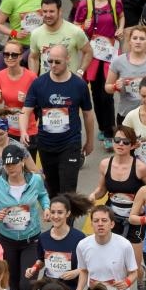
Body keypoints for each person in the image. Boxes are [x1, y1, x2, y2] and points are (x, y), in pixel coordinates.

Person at [20, 44, 94, 198]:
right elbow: (25, 111)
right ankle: (58, 220)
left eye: (57, 62)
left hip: (70, 143)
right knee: (52, 188)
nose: (53, 65)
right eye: (50, 61)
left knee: (68, 189)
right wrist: (23, 131)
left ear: (68, 59)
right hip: (46, 144)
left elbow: (88, 115)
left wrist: (90, 141)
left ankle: (68, 221)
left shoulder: (79, 85)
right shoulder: (39, 83)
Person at [0, 143, 50, 290]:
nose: (10, 168)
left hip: (31, 240)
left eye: (14, 163)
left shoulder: (35, 180)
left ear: (22, 162)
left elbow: (43, 195)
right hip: (8, 240)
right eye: (7, 165)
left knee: (26, 283)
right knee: (12, 285)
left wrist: (46, 208)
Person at [90, 125, 146, 290]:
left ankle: (141, 273)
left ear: (132, 145)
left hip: (134, 219)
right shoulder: (105, 164)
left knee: (134, 264)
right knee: (115, 259)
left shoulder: (140, 168)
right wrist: (93, 195)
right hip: (113, 217)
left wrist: (145, 205)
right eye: (117, 140)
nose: (120, 144)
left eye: (125, 141)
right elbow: (101, 189)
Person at [74, 0, 125, 150]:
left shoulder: (114, 2)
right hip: (93, 56)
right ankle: (104, 128)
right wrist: (82, 26)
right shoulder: (84, 4)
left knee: (107, 94)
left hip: (110, 55)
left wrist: (121, 28)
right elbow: (75, 27)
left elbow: (121, 15)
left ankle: (111, 131)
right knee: (96, 94)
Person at [25, 193, 90, 290]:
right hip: (49, 289)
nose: (55, 216)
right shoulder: (43, 237)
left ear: (68, 213)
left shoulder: (79, 238)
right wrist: (34, 268)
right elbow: (41, 259)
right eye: (53, 212)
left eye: (60, 212)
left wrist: (76, 273)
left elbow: (87, 266)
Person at [74, 205, 139, 290]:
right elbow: (83, 270)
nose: (100, 224)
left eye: (104, 220)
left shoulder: (124, 245)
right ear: (91, 224)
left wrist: (127, 282)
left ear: (112, 224)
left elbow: (134, 272)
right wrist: (79, 289)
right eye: (96, 221)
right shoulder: (83, 245)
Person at [105, 25, 146, 123]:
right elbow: (107, 87)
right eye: (135, 38)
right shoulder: (118, 61)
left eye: (142, 39)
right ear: (129, 41)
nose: (138, 41)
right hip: (127, 115)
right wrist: (115, 86)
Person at [28, 0, 92, 75]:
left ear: (60, 11)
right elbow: (33, 57)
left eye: (51, 11)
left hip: (69, 84)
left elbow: (88, 52)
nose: (48, 15)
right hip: (46, 85)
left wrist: (80, 72)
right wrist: (34, 78)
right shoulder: (36, 33)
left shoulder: (75, 31)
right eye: (45, 11)